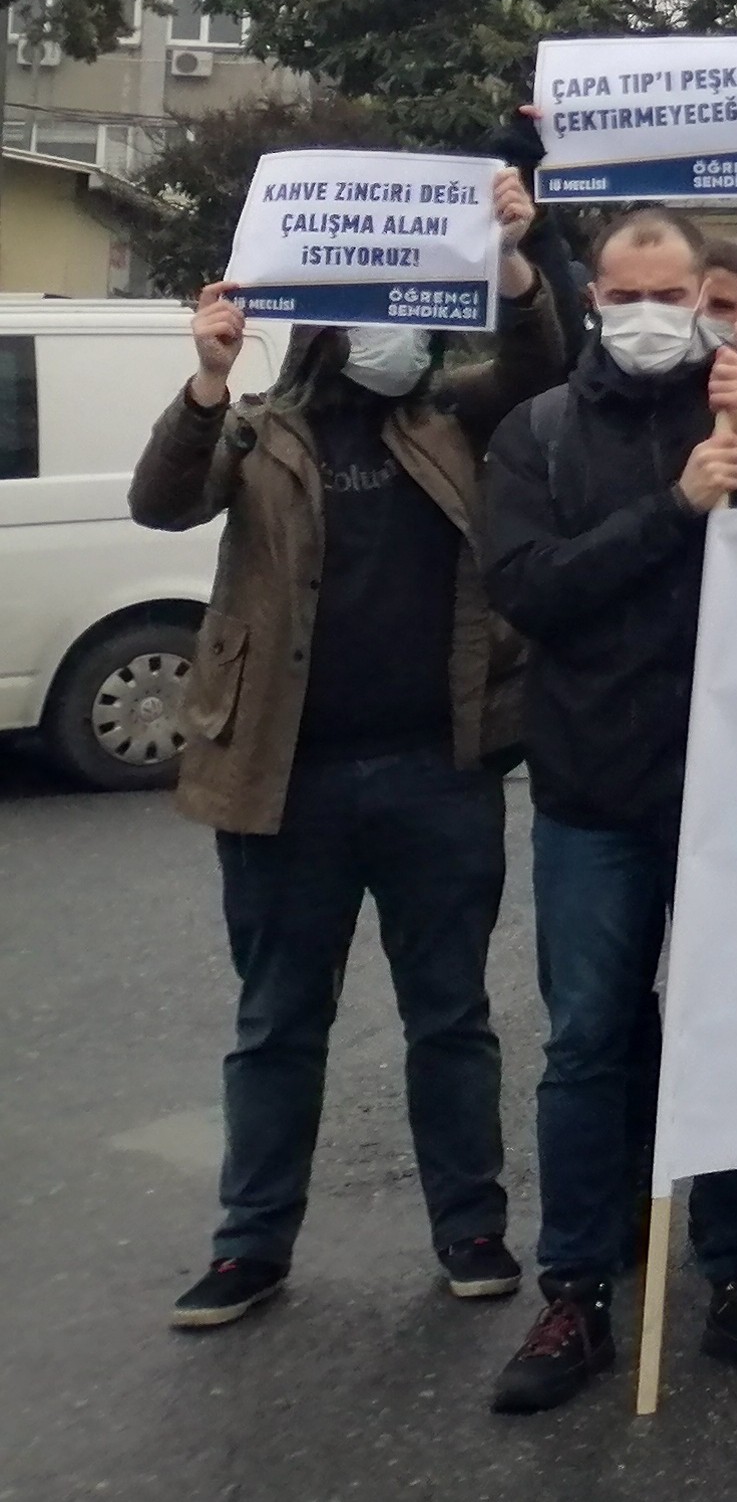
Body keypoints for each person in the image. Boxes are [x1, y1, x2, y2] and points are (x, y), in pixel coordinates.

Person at [133, 165, 558, 1332]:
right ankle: (250, 1246)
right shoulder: (258, 430)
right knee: (276, 1021)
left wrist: (517, 256)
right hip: (284, 778)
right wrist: (210, 374)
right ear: (325, 329)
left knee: (451, 1014)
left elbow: (537, 366)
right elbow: (163, 501)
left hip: (439, 770)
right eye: (379, 312)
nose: (400, 332)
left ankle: (470, 1227)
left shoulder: (449, 416)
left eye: (415, 312)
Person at [482, 211, 737, 1413]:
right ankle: (576, 1289)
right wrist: (679, 505)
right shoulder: (536, 430)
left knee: (728, 1031)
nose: (646, 310)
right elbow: (531, 589)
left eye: (670, 289)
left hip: (735, 789)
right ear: (594, 294)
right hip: (592, 789)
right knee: (587, 1039)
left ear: (708, 293)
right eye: (624, 291)